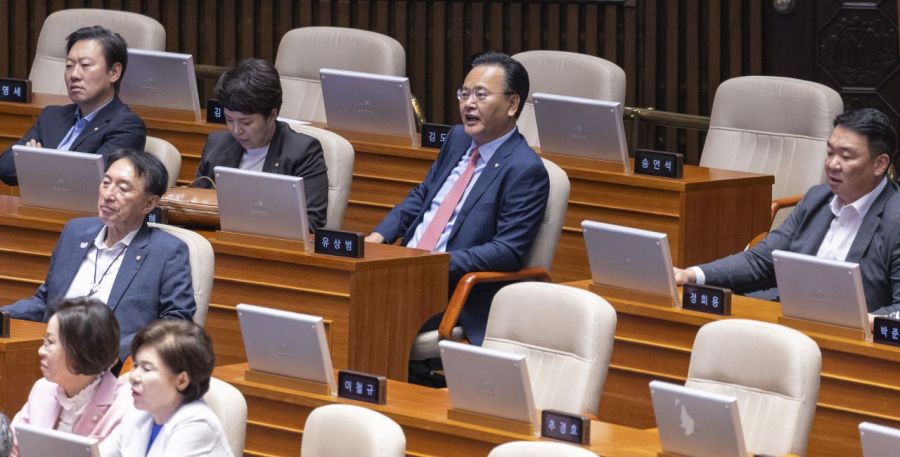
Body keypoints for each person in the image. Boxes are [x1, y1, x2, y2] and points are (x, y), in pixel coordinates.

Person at [366, 51, 550, 348]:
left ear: (513, 104)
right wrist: (379, 236)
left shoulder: (525, 169)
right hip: (404, 272)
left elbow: (506, 250)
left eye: (480, 95)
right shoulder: (457, 139)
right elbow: (423, 196)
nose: (469, 104)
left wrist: (434, 264)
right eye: (464, 93)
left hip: (451, 290)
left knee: (365, 311)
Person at [674, 108, 900, 316]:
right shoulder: (817, 199)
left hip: (854, 343)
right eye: (830, 153)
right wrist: (692, 275)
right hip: (787, 318)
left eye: (846, 156)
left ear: (879, 165)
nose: (832, 164)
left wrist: (861, 322)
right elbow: (761, 261)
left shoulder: (895, 219)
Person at [0, 149, 195, 360]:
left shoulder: (166, 251)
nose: (108, 195)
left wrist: (111, 354)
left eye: (122, 188)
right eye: (106, 182)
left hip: (113, 367)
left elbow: (176, 323)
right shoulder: (75, 232)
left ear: (149, 204)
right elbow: (45, 300)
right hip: (50, 353)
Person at [0, 25, 146, 186]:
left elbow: (93, 181)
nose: (74, 75)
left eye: (85, 65)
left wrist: (37, 161)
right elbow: (5, 168)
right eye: (69, 65)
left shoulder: (127, 126)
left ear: (114, 72)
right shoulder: (51, 116)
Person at [193, 58, 328, 230]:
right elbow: (196, 204)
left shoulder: (303, 152)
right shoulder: (216, 145)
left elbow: (311, 223)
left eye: (246, 123)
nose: (236, 130)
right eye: (229, 119)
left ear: (272, 115)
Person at [12, 298, 131, 452]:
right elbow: (12, 449)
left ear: (81, 352)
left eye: (50, 342)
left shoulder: (125, 406)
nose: (40, 351)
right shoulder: (42, 389)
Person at [100, 319, 232, 457]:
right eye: (135, 365)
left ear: (181, 380)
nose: (133, 376)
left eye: (147, 368)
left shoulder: (198, 424)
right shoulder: (139, 413)